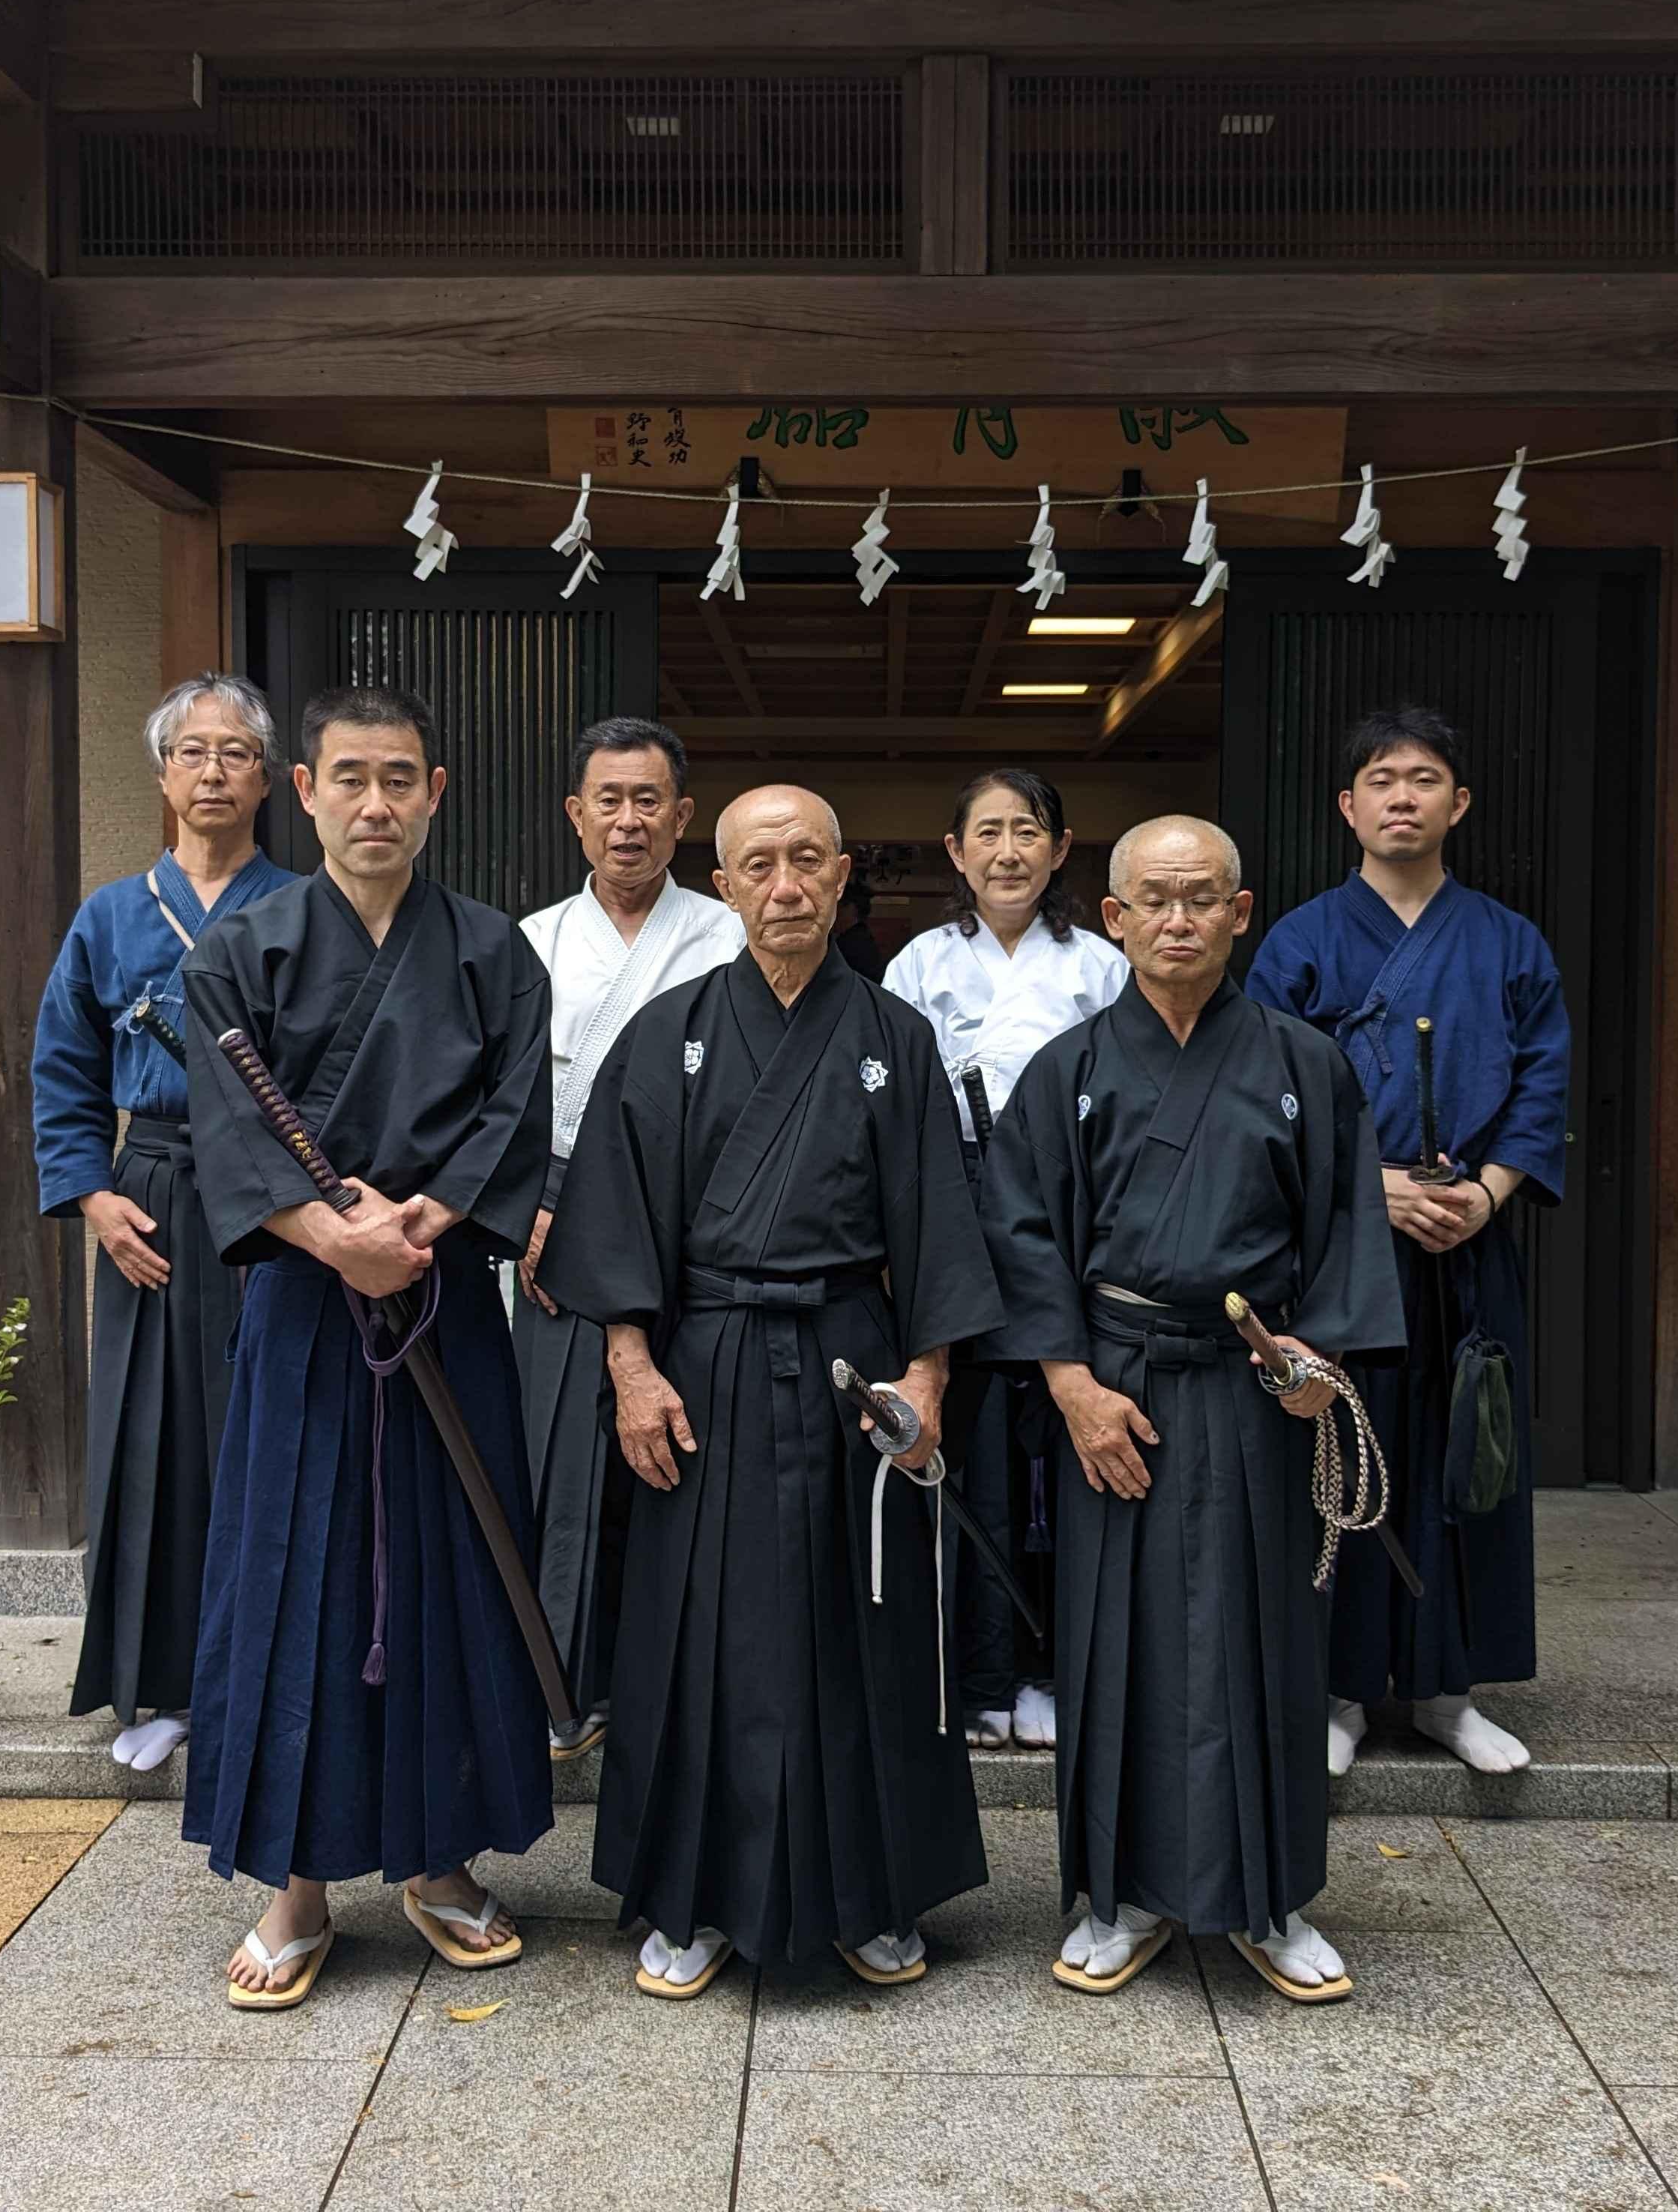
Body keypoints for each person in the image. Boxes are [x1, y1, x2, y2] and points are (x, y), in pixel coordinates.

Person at [540, 784, 1000, 1998]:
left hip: (855, 1364)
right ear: (727, 883)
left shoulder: (892, 1037)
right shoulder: (669, 1029)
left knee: (865, 1632)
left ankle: (873, 1893)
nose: (786, 884)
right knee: (698, 1639)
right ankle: (692, 1898)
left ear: (843, 878)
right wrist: (631, 1368)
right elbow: (614, 1222)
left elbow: (939, 1227)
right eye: (760, 864)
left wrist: (930, 1374)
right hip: (705, 1367)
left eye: (808, 861)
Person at [180, 684, 557, 2007]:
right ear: (306, 790)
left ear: (436, 790)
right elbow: (224, 1131)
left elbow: (518, 1105)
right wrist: (332, 1234)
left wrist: (431, 1213)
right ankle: (296, 1881)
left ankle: (440, 1856)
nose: (375, 801)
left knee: (454, 1569)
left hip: (442, 1296)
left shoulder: (495, 950)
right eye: (350, 776)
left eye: (400, 776)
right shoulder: (240, 948)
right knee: (301, 1579)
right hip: (304, 1301)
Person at [983, 815, 1402, 2004]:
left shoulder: (1303, 1062)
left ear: (1241, 912)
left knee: (1264, 1644)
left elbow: (1342, 1236)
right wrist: (1071, 1388)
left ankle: (1271, 1899)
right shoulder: (1067, 1070)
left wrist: (1317, 1364)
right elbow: (1020, 1233)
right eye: (1153, 901)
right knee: (1118, 1647)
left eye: (1200, 899)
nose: (1177, 920)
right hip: (1115, 1387)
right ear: (1113, 918)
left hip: (1258, 1387)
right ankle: (1124, 1898)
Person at [1248, 706, 1570, 1781]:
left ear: (1457, 804)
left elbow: (1542, 1081)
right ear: (1348, 807)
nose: (1402, 797)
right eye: (1380, 779)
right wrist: (1368, 1191)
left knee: (1465, 1450)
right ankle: (1341, 1692)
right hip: (1350, 1238)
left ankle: (1448, 1692)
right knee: (1350, 1448)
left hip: (1470, 1231)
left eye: (1424, 779)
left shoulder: (1509, 940)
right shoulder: (1300, 939)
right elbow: (1268, 1095)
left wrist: (1486, 1193)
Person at [31, 676, 300, 1775]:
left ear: (272, 780)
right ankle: (161, 1686)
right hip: (152, 1183)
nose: (214, 772)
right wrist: (95, 1196)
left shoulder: (303, 903)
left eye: (236, 754)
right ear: (163, 776)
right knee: (153, 1438)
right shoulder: (109, 913)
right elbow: (63, 1067)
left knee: (264, 1427)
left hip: (275, 1193)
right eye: (194, 753)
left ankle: (267, 1670)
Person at [882, 769, 1126, 1753]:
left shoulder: (1102, 966)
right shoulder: (920, 964)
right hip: (957, 1199)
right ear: (956, 851)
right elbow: (897, 1114)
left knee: (1061, 1445)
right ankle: (982, 1672)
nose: (1009, 852)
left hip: (1075, 1203)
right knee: (977, 1451)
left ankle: (1057, 1669)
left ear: (1061, 850)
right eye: (988, 832)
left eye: (1029, 832)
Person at [515, 717, 743, 1761]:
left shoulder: (729, 932)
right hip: (556, 1219)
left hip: (695, 1225)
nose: (629, 821)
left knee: (679, 1459)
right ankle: (562, 1684)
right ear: (576, 814)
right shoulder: (532, 944)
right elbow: (503, 1104)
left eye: (649, 800)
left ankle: (669, 1686)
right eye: (608, 800)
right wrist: (522, 1209)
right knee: (561, 1462)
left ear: (683, 817)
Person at [831, 880, 887, 979]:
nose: (837, 912)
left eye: (841, 906)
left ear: (853, 909)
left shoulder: (853, 942)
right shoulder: (859, 936)